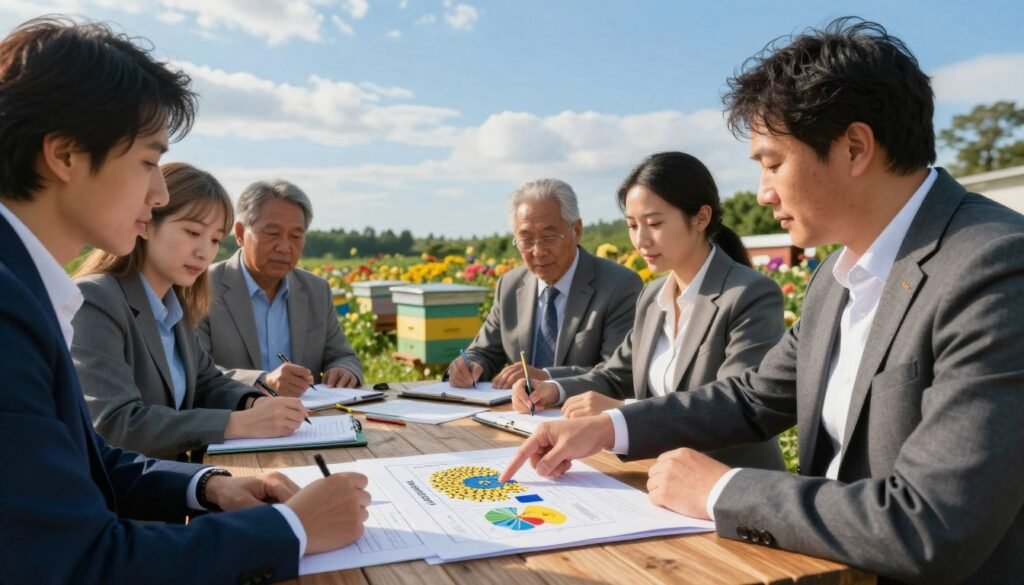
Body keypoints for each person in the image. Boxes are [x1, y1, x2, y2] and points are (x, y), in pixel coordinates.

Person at [501, 18, 1024, 584]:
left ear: (854, 148)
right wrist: (612, 428)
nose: (763, 192)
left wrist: (722, 489)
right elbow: (752, 398)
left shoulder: (993, 268)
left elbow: (935, 526)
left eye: (773, 162)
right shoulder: (837, 277)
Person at [0, 17, 367, 583]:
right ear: (66, 155)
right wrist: (292, 530)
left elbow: (89, 466)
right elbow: (73, 561)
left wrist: (207, 484)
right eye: (148, 161)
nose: (159, 194)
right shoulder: (13, 309)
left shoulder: (29, 290)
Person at [512, 152, 785, 470]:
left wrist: (622, 414)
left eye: (654, 223)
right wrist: (553, 389)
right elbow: (617, 374)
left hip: (728, 484)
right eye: (632, 225)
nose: (640, 240)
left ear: (700, 218)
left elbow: (731, 405)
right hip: (658, 478)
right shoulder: (653, 296)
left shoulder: (749, 295)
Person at [71, 163, 310, 459]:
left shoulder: (173, 308)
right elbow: (116, 424)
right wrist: (236, 423)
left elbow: (207, 382)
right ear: (146, 223)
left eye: (214, 239)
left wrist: (253, 403)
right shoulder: (95, 300)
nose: (204, 252)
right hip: (117, 496)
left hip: (172, 482)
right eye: (192, 232)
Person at [446, 178, 643, 389]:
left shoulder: (619, 285)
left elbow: (617, 372)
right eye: (526, 240)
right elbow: (485, 351)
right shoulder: (510, 286)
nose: (538, 251)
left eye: (549, 236)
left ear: (576, 230)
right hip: (514, 415)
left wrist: (546, 376)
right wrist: (471, 365)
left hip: (582, 415)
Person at [198, 179, 363, 396]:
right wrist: (262, 381)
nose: (284, 247)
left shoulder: (316, 290)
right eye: (272, 233)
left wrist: (343, 369)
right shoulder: (202, 287)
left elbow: (343, 355)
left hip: (309, 421)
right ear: (239, 233)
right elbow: (196, 372)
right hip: (237, 420)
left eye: (296, 236)